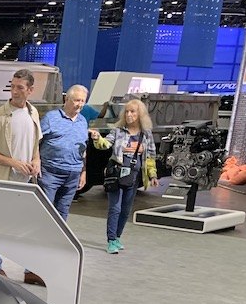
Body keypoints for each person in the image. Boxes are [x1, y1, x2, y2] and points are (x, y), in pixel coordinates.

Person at [0, 68, 44, 286]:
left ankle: (30, 269)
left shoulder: (33, 113)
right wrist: (14, 162)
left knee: (28, 226)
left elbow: (35, 145)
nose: (14, 91)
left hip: (26, 182)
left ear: (30, 90)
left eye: (20, 87)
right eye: (12, 86)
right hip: (2, 179)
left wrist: (37, 161)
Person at [91, 98, 159, 254]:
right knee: (115, 208)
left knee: (126, 210)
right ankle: (111, 240)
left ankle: (117, 238)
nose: (129, 114)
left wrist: (152, 175)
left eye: (132, 111)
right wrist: (97, 139)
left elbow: (150, 157)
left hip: (134, 177)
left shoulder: (146, 134)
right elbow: (105, 144)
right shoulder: (118, 131)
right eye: (127, 111)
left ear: (140, 114)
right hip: (116, 174)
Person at [38, 84, 90, 223]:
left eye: (82, 101)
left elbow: (83, 148)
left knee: (63, 211)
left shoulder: (83, 121)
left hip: (73, 174)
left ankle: (56, 242)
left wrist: (83, 172)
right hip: (50, 173)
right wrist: (35, 163)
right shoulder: (51, 118)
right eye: (76, 100)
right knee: (45, 209)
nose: (79, 104)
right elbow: (35, 143)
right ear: (67, 99)